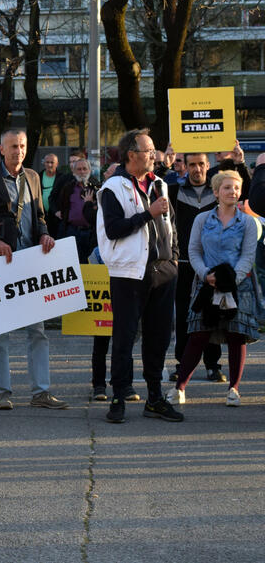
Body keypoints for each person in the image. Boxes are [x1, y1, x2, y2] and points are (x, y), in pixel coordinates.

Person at [0, 130, 67, 410]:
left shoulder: (33, 177)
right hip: (1, 262)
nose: (19, 151)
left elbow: (39, 215)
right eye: (13, 146)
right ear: (1, 149)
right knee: (1, 332)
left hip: (30, 261)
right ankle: (3, 392)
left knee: (37, 331)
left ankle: (41, 392)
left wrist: (45, 235)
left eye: (22, 146)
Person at [97, 128, 184, 423]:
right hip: (129, 273)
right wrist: (148, 213)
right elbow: (114, 229)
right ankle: (119, 397)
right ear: (132, 155)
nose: (155, 155)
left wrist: (173, 257)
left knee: (158, 337)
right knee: (124, 337)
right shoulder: (113, 188)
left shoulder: (160, 183)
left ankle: (155, 398)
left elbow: (170, 224)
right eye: (149, 151)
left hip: (163, 270)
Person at [167, 170, 258, 407]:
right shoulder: (202, 219)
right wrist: (205, 274)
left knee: (236, 336)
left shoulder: (248, 221)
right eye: (227, 188)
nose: (233, 192)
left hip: (238, 287)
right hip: (205, 285)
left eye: (236, 188)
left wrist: (229, 280)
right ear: (216, 192)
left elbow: (248, 256)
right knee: (198, 335)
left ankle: (234, 390)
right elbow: (194, 250)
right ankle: (179, 388)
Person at [168, 152, 224, 383]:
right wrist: (165, 165)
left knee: (212, 314)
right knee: (182, 316)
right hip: (182, 263)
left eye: (201, 164)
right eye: (192, 164)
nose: (197, 169)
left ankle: (213, 366)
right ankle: (182, 365)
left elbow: (247, 192)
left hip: (212, 264)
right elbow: (154, 186)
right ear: (186, 167)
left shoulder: (219, 193)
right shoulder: (174, 192)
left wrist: (238, 162)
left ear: (208, 165)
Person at [53, 157, 99, 262]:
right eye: (79, 169)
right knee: (73, 262)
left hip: (91, 232)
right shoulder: (68, 188)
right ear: (73, 172)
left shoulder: (96, 187)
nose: (82, 172)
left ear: (89, 171)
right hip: (72, 231)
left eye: (84, 169)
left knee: (90, 264)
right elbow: (61, 204)